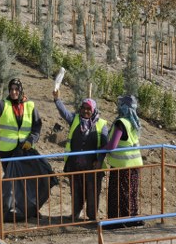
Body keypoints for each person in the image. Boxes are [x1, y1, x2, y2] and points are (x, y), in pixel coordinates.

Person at [53, 89, 108, 221]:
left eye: (88, 109)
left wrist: (100, 160)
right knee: (76, 191)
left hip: (93, 167)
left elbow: (105, 145)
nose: (85, 111)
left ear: (94, 110)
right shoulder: (75, 119)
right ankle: (75, 214)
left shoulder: (101, 124)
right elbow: (64, 113)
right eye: (83, 108)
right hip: (75, 165)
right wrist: (57, 100)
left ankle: (92, 217)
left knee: (92, 192)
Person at [0, 78, 42, 172]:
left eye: (16, 89)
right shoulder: (4, 105)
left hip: (25, 150)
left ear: (21, 90)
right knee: (12, 181)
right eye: (11, 89)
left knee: (26, 181)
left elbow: (37, 126)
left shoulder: (30, 105)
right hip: (7, 153)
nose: (14, 92)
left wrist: (31, 140)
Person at [102, 95, 144, 228]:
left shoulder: (121, 123)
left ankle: (117, 221)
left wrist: (100, 149)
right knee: (131, 192)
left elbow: (112, 145)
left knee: (119, 193)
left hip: (122, 165)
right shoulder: (133, 122)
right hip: (134, 164)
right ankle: (131, 218)